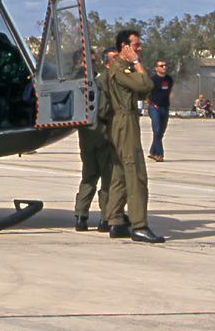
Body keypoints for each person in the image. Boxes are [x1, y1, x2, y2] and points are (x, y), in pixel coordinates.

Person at [101, 30, 163, 242]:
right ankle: (139, 225)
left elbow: (144, 90)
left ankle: (116, 220)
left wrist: (136, 66)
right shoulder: (120, 68)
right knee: (136, 173)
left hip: (124, 121)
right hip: (124, 122)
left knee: (120, 173)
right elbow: (146, 84)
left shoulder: (122, 68)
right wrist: (137, 62)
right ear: (124, 47)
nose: (139, 49)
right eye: (135, 45)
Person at [74, 48, 116, 232]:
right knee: (107, 177)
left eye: (94, 61)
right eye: (90, 61)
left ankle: (81, 216)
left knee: (89, 177)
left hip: (85, 136)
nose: (94, 64)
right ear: (80, 63)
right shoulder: (96, 84)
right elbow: (103, 109)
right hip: (101, 134)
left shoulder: (73, 83)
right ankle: (106, 218)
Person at [147, 59, 173, 161]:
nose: (164, 67)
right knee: (157, 131)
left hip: (165, 107)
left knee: (161, 132)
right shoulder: (153, 79)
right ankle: (159, 154)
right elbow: (147, 92)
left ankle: (152, 152)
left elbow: (169, 91)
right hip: (155, 107)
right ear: (156, 68)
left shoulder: (169, 79)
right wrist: (151, 104)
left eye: (165, 65)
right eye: (161, 66)